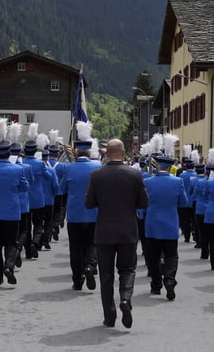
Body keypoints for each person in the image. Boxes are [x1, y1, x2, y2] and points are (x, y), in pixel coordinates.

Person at [84, 139, 148, 328]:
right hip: (128, 229)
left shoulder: (97, 175)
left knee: (106, 275)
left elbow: (89, 204)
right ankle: (126, 299)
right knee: (128, 269)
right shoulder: (135, 174)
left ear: (106, 153)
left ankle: (109, 316)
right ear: (122, 153)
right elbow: (144, 203)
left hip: (105, 230)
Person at [0, 138, 28, 286]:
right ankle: (9, 266)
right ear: (9, 153)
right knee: (11, 243)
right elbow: (24, 187)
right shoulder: (18, 169)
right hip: (12, 212)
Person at [143, 154, 189, 300]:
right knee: (171, 255)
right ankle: (169, 279)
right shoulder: (177, 181)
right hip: (170, 223)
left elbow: (142, 203)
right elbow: (184, 202)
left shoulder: (147, 181)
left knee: (153, 256)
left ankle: (156, 285)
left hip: (152, 224)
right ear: (170, 167)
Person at [60, 128, 99, 291]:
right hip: (94, 213)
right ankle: (90, 266)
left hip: (75, 214)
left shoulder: (69, 168)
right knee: (92, 244)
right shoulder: (97, 167)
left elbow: (62, 189)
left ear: (76, 151)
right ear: (89, 152)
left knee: (75, 248)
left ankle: (78, 280)